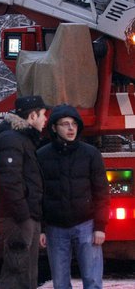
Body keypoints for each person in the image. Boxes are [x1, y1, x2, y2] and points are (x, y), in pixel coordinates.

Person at [37, 104, 110, 289]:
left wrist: (100, 227)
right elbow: (37, 195)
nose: (71, 129)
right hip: (55, 228)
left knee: (92, 281)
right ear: (54, 127)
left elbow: (101, 191)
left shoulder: (90, 154)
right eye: (65, 124)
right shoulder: (42, 156)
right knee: (60, 283)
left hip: (86, 225)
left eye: (74, 124)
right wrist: (41, 228)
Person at [0, 95, 49, 289]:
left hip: (23, 216)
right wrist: (24, 217)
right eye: (42, 115)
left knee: (26, 272)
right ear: (32, 116)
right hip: (17, 218)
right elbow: (10, 182)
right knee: (17, 271)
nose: (45, 119)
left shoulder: (20, 138)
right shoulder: (11, 140)